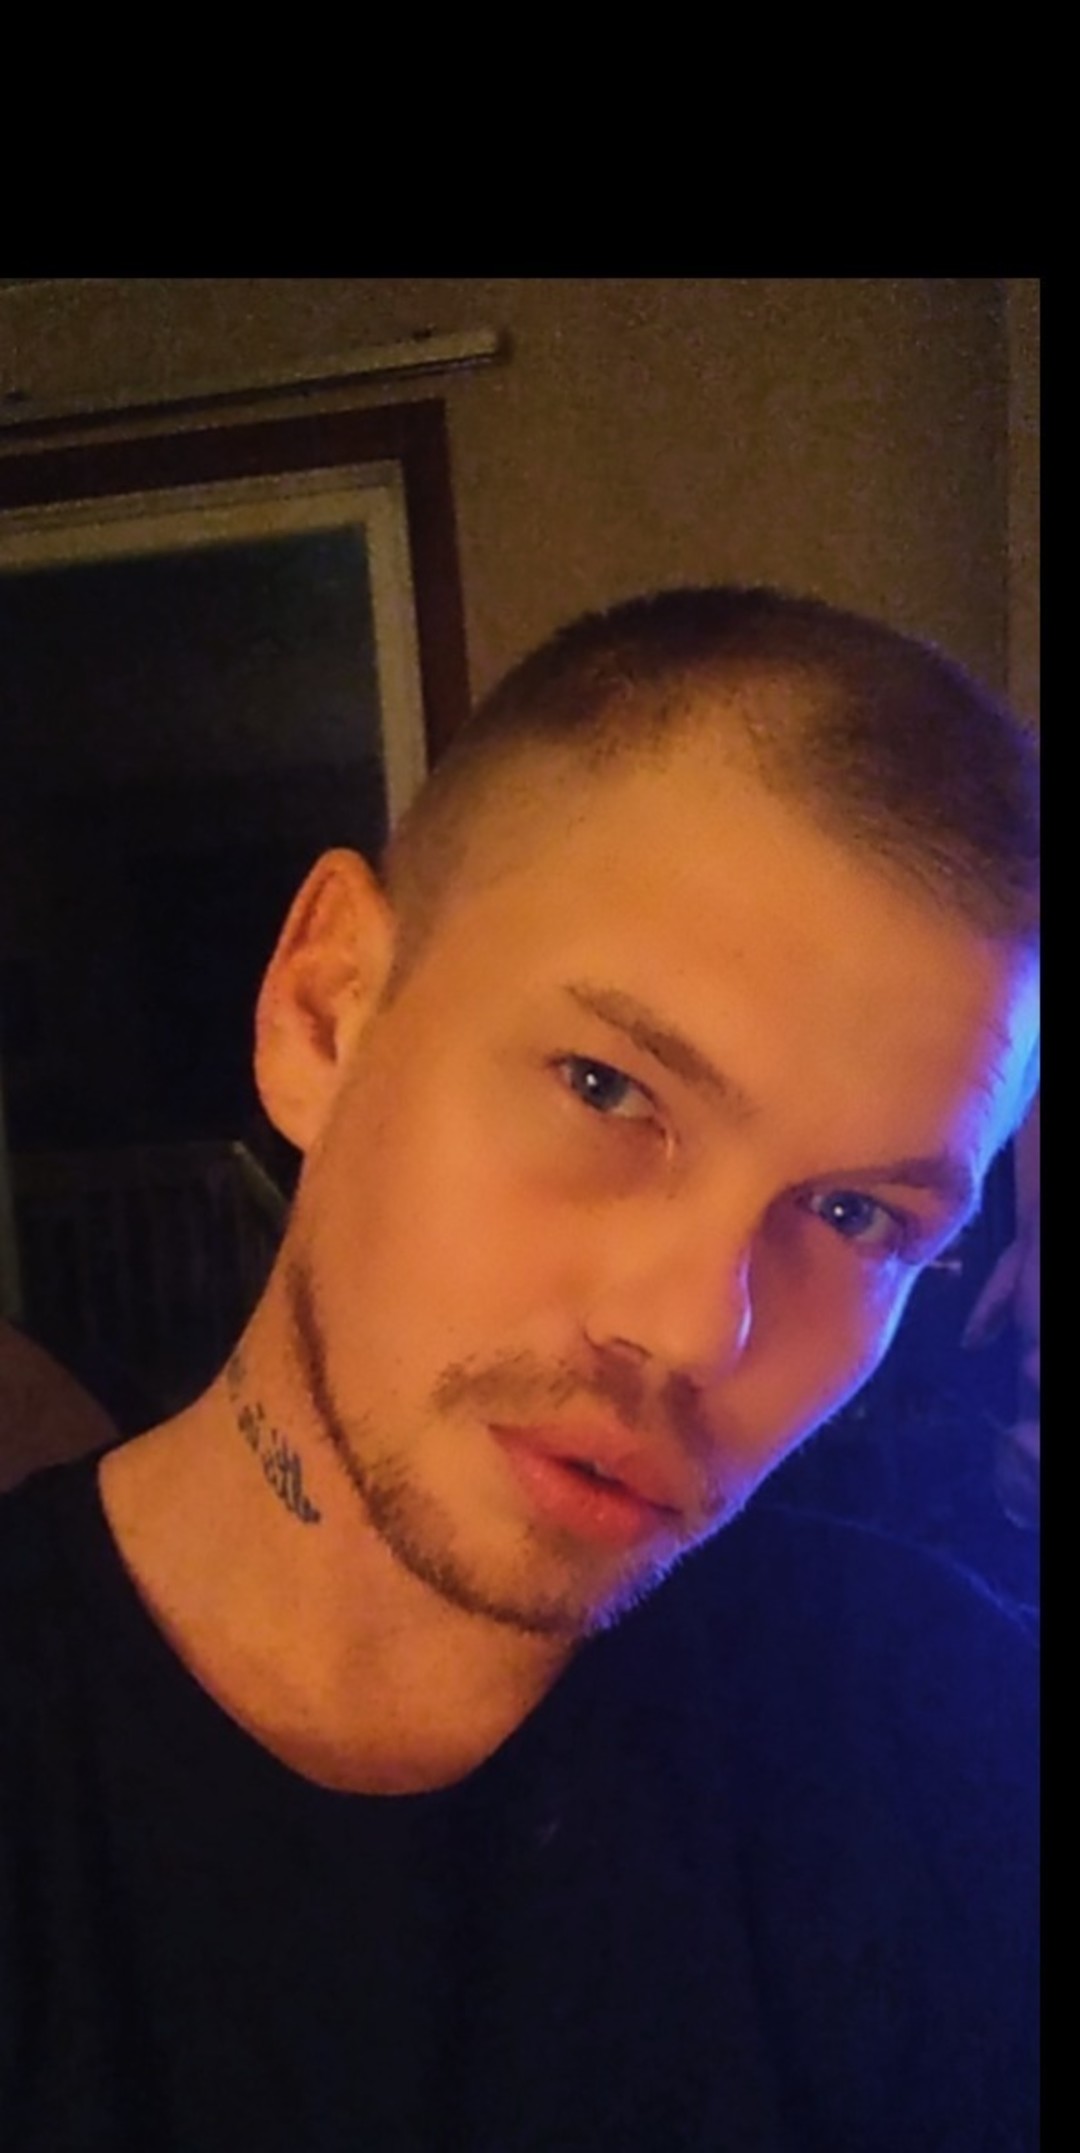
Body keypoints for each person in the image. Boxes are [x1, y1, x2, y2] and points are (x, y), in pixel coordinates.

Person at [0, 587, 1039, 2151]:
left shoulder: (938, 1727)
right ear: (325, 1012)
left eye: (854, 1215)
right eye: (607, 1087)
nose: (696, 1330)